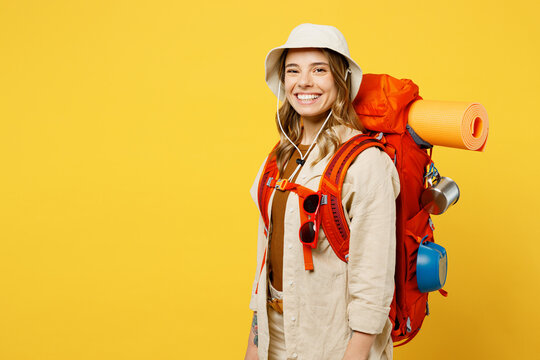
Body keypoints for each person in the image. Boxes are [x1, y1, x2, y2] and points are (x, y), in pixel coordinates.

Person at [244, 23, 401, 360]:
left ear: (340, 81)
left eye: (319, 70)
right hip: (276, 336)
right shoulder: (278, 158)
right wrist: (256, 342)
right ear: (283, 82)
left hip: (336, 341)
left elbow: (372, 279)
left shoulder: (365, 163)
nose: (304, 82)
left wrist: (355, 354)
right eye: (293, 71)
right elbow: (266, 257)